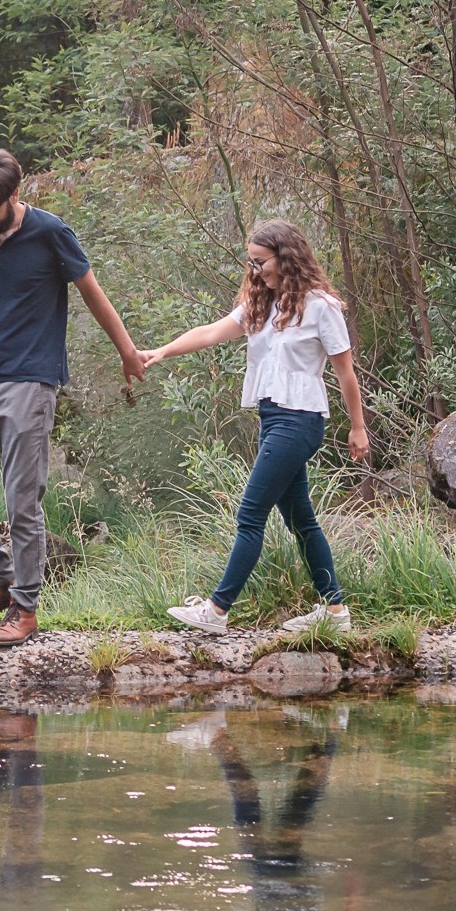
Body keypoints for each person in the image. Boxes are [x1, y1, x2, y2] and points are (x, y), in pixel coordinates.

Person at [0, 148, 145, 647]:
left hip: (30, 382)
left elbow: (92, 293)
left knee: (23, 502)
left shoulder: (51, 232)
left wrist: (127, 352)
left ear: (13, 196)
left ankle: (25, 608)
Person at [138, 220, 370, 635]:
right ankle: (336, 612)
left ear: (287, 257)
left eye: (261, 261)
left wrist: (358, 428)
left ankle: (217, 610)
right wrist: (162, 351)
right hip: (273, 419)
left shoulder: (321, 307)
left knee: (250, 513)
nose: (255, 269)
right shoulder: (263, 306)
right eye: (252, 261)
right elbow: (211, 333)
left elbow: (346, 374)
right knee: (301, 520)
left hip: (300, 420)